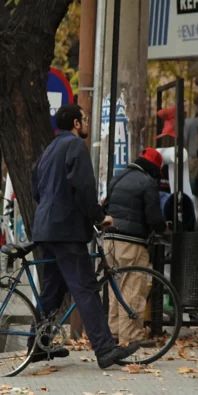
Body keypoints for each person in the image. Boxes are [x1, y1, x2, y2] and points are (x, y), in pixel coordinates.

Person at [31, 103, 139, 369]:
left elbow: (37, 188)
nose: (87, 124)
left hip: (46, 228)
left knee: (52, 291)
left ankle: (37, 346)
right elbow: (84, 186)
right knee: (86, 289)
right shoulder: (76, 147)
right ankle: (105, 350)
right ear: (77, 123)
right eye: (85, 119)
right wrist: (98, 216)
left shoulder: (48, 149)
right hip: (66, 231)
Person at [104, 148, 167, 346]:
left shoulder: (117, 177)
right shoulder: (147, 183)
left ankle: (114, 332)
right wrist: (163, 228)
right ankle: (131, 337)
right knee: (132, 289)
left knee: (115, 288)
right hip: (131, 243)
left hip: (109, 241)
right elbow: (155, 218)